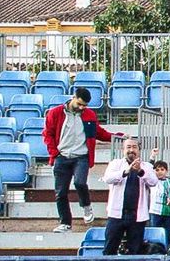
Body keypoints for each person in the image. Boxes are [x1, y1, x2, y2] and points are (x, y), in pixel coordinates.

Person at [44, 88, 118, 232]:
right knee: (61, 192)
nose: (81, 107)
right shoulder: (55, 113)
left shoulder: (89, 114)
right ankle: (65, 223)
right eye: (79, 104)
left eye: (84, 105)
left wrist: (117, 136)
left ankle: (86, 205)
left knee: (80, 182)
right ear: (74, 98)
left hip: (81, 156)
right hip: (62, 156)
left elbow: (99, 133)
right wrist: (54, 152)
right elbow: (48, 134)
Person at [101, 137, 159, 254]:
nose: (131, 150)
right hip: (117, 214)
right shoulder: (115, 163)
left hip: (137, 215)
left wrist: (140, 172)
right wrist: (125, 172)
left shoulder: (146, 166)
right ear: (123, 150)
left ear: (139, 150)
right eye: (128, 147)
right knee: (109, 248)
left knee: (136, 250)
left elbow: (153, 182)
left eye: (134, 147)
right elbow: (107, 178)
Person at [150, 159, 170, 249]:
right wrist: (152, 157)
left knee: (168, 233)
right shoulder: (152, 182)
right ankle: (155, 249)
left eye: (162, 170)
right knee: (155, 232)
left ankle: (168, 249)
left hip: (168, 213)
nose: (160, 172)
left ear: (166, 171)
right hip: (155, 212)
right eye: (157, 170)